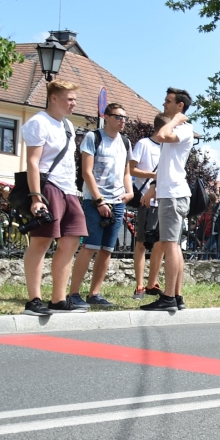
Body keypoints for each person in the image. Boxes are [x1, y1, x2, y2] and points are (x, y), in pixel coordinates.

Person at [19, 80, 89, 315]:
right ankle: (34, 300)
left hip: (69, 190)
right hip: (48, 186)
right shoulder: (39, 122)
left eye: (75, 99)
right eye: (70, 99)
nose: (74, 104)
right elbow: (32, 162)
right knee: (41, 242)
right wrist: (36, 196)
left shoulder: (68, 126)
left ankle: (58, 300)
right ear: (54, 98)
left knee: (71, 241)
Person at [67, 103, 134, 308]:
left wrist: (129, 191)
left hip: (117, 202)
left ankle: (94, 293)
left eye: (125, 118)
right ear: (106, 117)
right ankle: (73, 293)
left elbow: (126, 172)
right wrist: (99, 201)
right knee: (89, 247)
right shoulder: (93, 138)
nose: (122, 121)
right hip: (94, 200)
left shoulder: (125, 142)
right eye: (118, 117)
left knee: (106, 249)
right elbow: (87, 172)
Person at [141, 88, 195, 312]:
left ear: (179, 106)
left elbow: (161, 135)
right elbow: (166, 164)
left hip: (174, 195)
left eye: (168, 101)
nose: (164, 104)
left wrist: (175, 120)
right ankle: (177, 296)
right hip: (168, 192)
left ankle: (169, 297)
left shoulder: (184, 129)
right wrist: (154, 187)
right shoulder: (178, 128)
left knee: (170, 245)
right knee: (173, 246)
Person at [129, 115, 165, 299]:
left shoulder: (168, 147)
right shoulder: (144, 144)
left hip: (164, 201)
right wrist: (152, 175)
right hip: (146, 200)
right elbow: (131, 169)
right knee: (142, 243)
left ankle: (153, 282)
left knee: (159, 243)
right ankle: (139, 285)